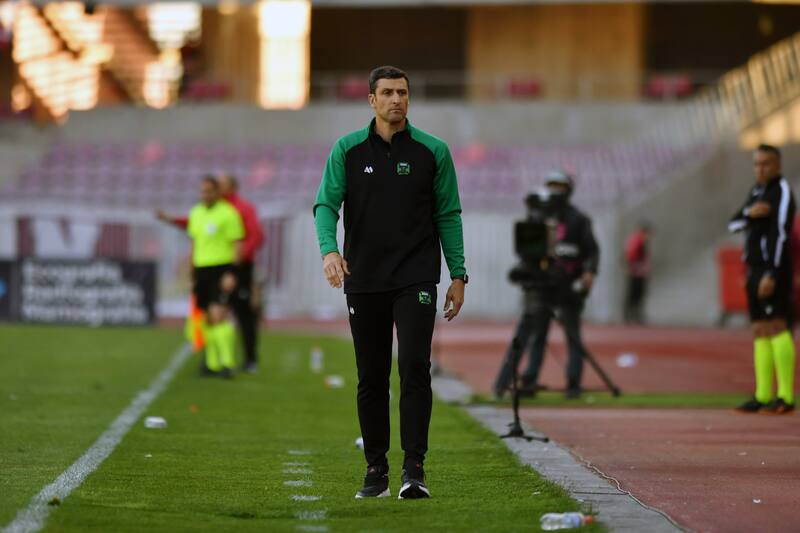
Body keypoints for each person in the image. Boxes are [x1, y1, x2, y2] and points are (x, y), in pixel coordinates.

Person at [313, 66, 466, 500]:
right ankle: (375, 468)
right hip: (363, 278)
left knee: (415, 367)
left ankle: (414, 469)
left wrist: (458, 274)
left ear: (409, 99)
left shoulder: (433, 151)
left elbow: (448, 215)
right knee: (371, 376)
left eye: (402, 92)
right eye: (387, 93)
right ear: (371, 100)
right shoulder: (347, 150)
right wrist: (329, 251)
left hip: (416, 275)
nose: (396, 99)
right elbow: (326, 204)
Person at [493, 170, 599, 400]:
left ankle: (573, 383)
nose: (554, 190)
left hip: (569, 285)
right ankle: (529, 380)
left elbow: (592, 251)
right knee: (536, 335)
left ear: (569, 189)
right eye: (550, 185)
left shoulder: (579, 220)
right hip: (542, 284)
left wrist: (589, 273)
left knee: (573, 336)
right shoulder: (536, 217)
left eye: (559, 186)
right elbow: (527, 247)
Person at [157, 174, 264, 373]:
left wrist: (234, 270)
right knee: (206, 317)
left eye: (211, 189)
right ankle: (211, 362)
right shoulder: (197, 212)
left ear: (226, 189)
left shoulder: (233, 211)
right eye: (202, 191)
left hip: (224, 268)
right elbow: (195, 240)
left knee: (227, 314)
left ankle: (232, 362)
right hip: (202, 270)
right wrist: (190, 271)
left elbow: (245, 240)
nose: (204, 194)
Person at [729, 144, 796, 414]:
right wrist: (748, 213)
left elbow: (781, 235)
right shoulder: (755, 192)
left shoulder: (782, 192)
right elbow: (733, 223)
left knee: (777, 326)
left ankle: (786, 397)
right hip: (754, 269)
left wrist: (772, 273)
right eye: (757, 164)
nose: (760, 168)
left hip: (774, 269)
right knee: (759, 329)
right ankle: (763, 394)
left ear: (778, 165)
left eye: (766, 163)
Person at [623, 222, 651, 324]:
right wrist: (632, 267)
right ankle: (631, 316)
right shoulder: (637, 240)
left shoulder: (637, 240)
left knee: (637, 295)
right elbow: (630, 255)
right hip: (637, 273)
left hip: (639, 272)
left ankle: (633, 316)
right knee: (634, 294)